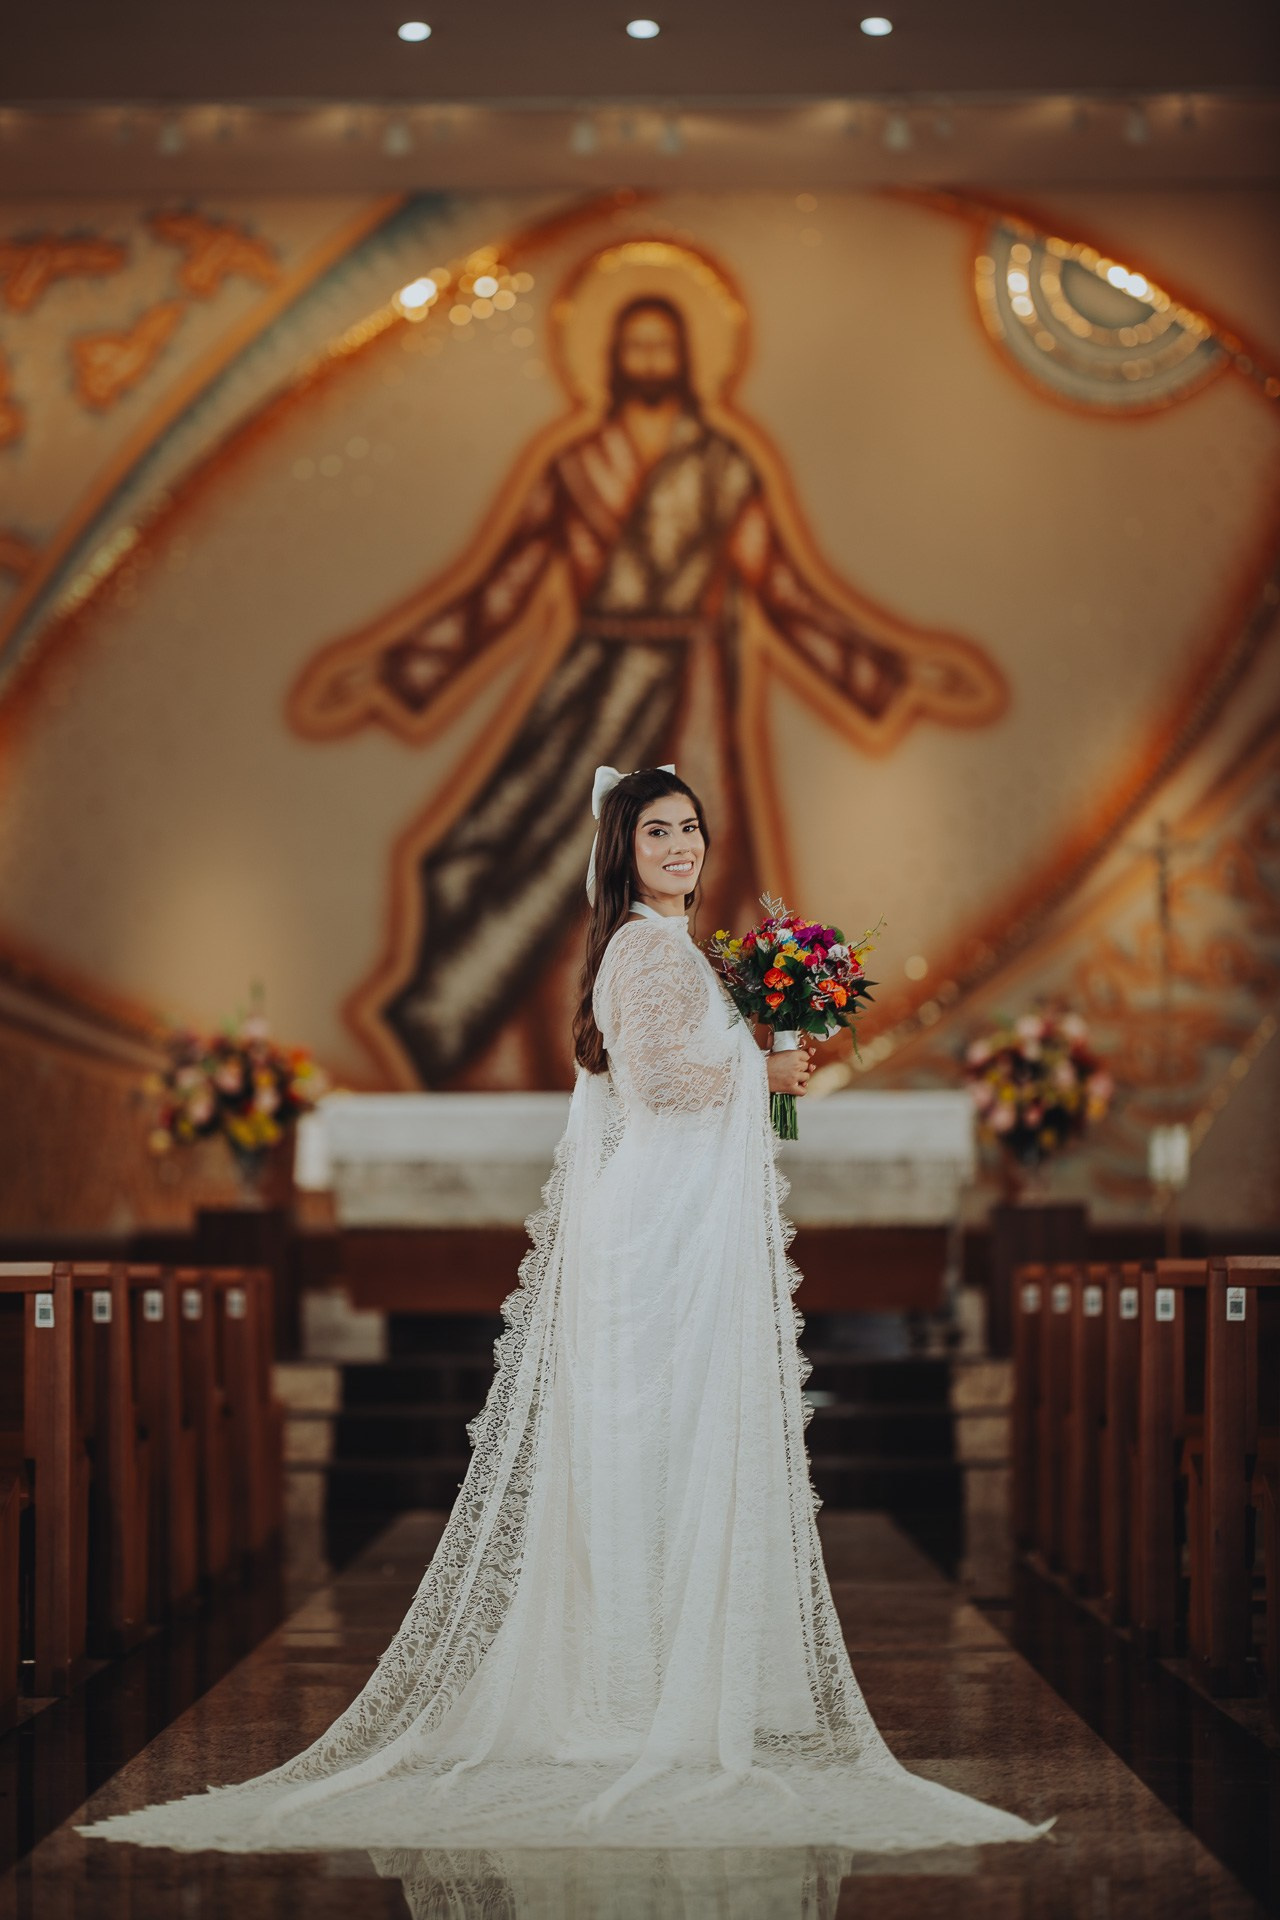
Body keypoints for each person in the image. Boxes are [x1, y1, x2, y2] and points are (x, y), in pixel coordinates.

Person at [80, 766, 1052, 1858]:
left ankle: (674, 1682)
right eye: (655, 832)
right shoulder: (640, 948)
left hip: (688, 1226)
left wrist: (775, 1058)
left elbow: (736, 1102)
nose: (679, 846)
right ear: (620, 850)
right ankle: (629, 1697)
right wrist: (762, 1050)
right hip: (655, 1240)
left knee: (683, 1451)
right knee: (646, 1454)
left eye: (689, 828)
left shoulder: (688, 951)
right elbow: (662, 1087)